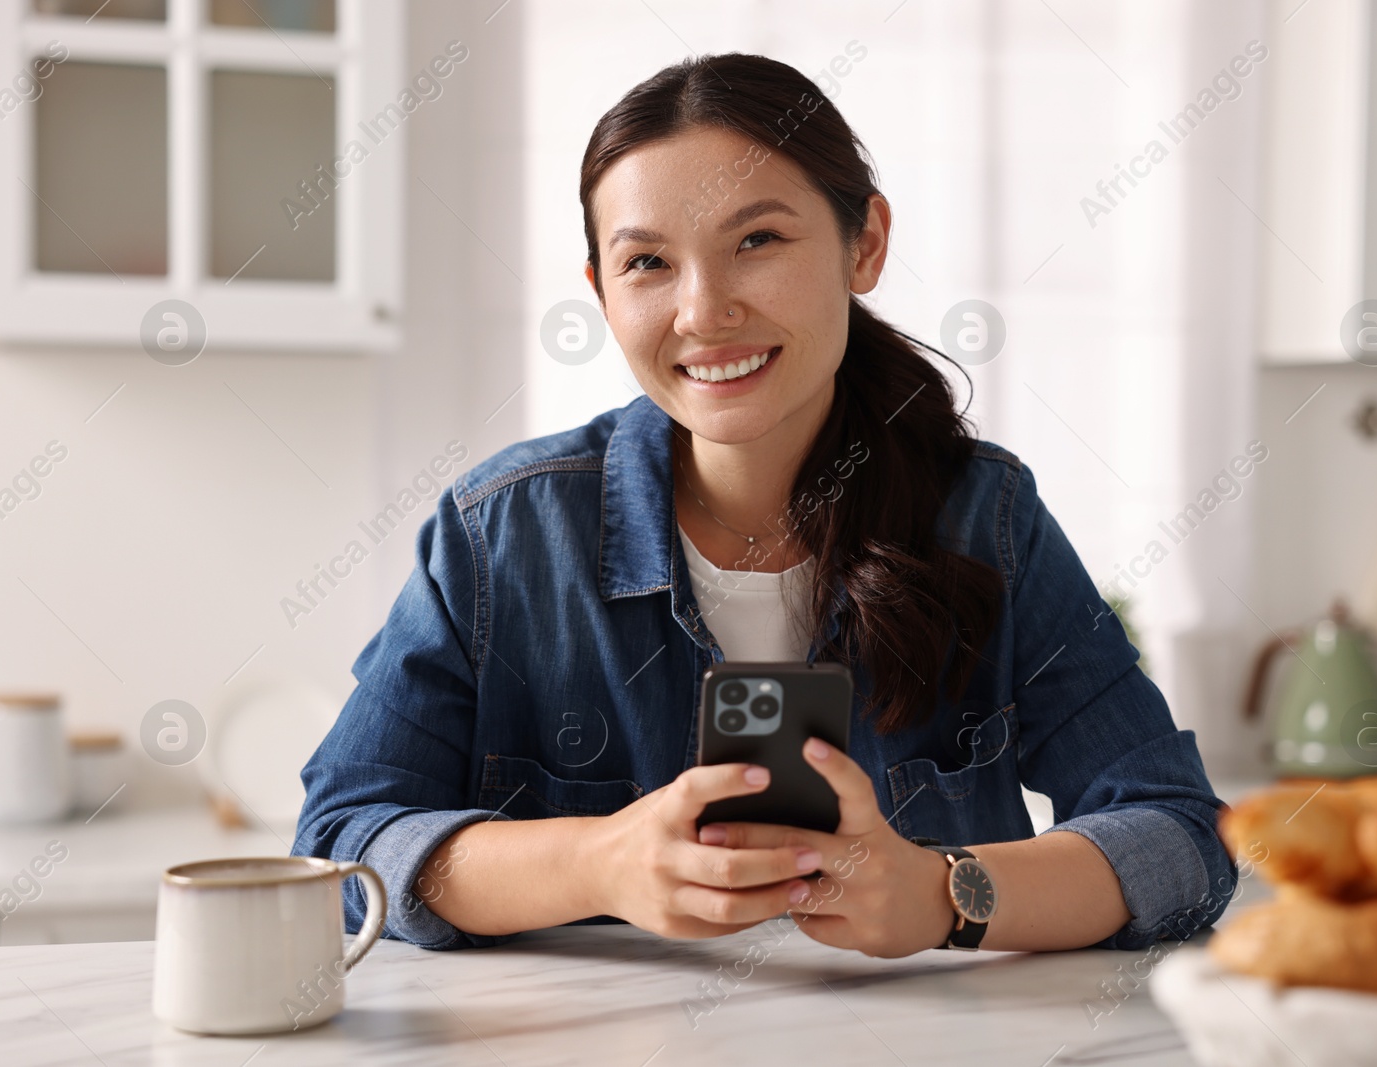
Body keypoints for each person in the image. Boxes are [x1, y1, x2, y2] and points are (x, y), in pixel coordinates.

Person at [293, 52, 1235, 958]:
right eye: (648, 264)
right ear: (602, 293)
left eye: (757, 241)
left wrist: (943, 894)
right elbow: (337, 847)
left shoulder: (984, 518)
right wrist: (595, 865)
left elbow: (1183, 836)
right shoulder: (501, 535)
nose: (703, 311)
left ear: (863, 243)